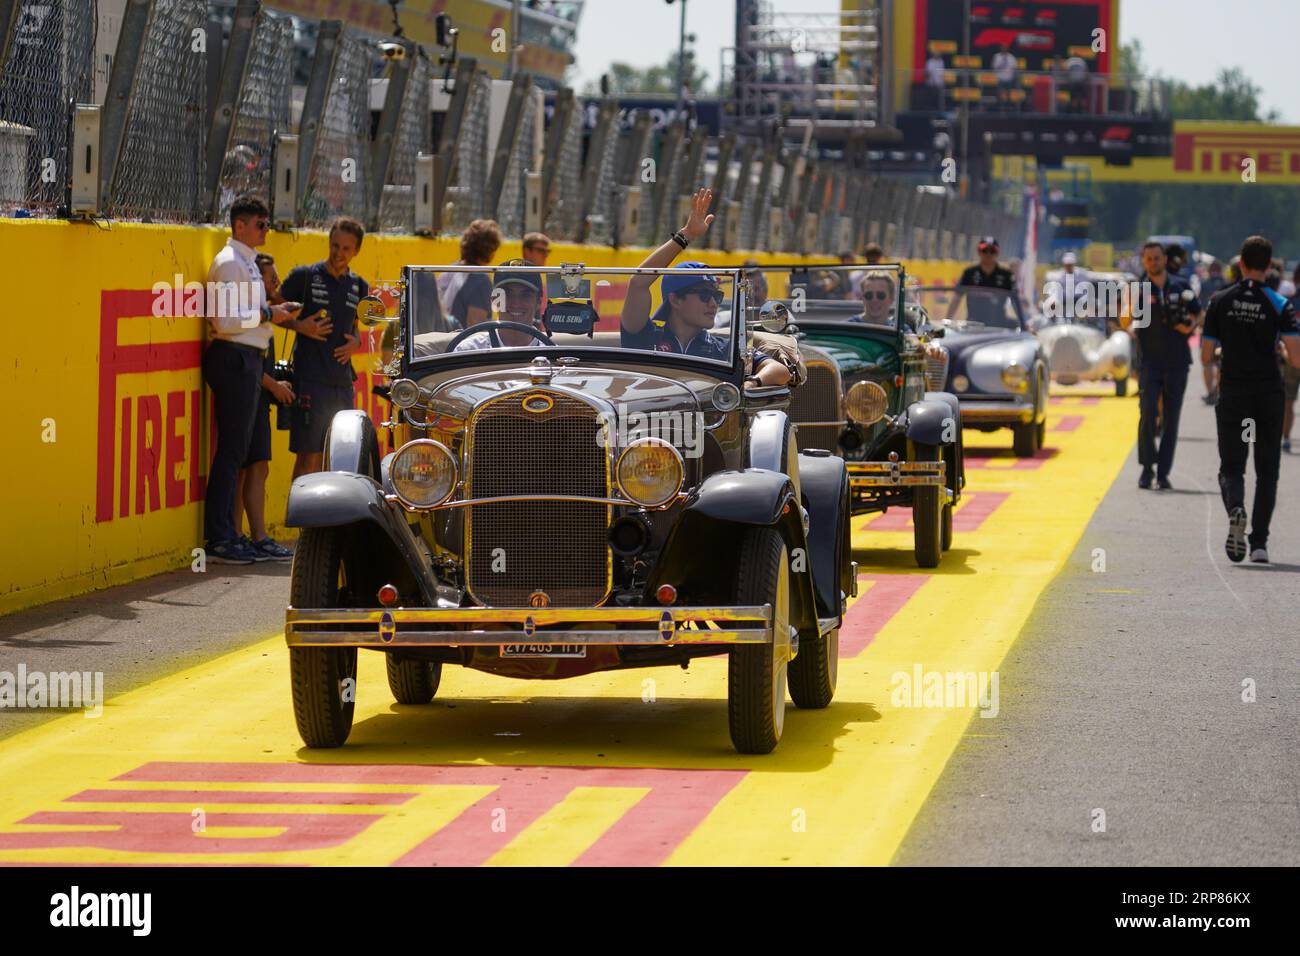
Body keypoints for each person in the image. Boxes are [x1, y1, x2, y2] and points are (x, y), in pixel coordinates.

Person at [202, 196, 301, 564]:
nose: (266, 230)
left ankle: (229, 535)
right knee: (231, 453)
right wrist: (269, 314)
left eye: (267, 223)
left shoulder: (246, 262)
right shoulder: (230, 262)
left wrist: (270, 313)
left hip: (245, 358)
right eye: (260, 224)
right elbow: (225, 321)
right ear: (240, 225)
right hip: (234, 358)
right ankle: (219, 537)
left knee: (237, 453)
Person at [619, 187, 791, 388]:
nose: (713, 303)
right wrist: (686, 235)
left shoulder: (722, 349)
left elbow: (780, 371)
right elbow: (638, 283)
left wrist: (752, 383)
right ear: (675, 300)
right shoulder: (645, 337)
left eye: (717, 296)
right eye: (704, 295)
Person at [1202, 235, 1300, 563]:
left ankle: (1236, 508)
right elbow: (1296, 358)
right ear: (1268, 266)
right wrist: (1280, 350)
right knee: (1267, 470)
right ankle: (1259, 544)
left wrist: (1223, 351)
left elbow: (1206, 356)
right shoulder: (1279, 303)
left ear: (1240, 264)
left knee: (1232, 466)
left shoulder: (1219, 300)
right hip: (1268, 395)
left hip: (1234, 394)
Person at [278, 217, 369, 480]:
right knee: (309, 457)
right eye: (335, 245)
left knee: (341, 458)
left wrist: (356, 342)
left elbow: (356, 327)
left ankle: (332, 509)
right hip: (310, 381)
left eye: (346, 249)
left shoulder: (359, 286)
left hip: (342, 385)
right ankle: (301, 508)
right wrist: (300, 326)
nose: (338, 253)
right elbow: (273, 311)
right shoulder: (305, 277)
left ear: (356, 251)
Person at [228, 253, 295, 561]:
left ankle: (243, 535)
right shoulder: (252, 315)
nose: (276, 283)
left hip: (258, 398)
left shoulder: (263, 313)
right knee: (248, 469)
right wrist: (274, 386)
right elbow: (250, 363)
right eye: (271, 278)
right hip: (251, 396)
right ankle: (252, 536)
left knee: (255, 467)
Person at [1119, 241, 1201, 490]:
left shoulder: (1181, 286)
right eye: (1149, 259)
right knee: (1148, 413)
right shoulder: (1138, 288)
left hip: (1177, 361)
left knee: (1171, 419)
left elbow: (1198, 313)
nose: (1153, 262)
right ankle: (1147, 468)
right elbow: (1124, 320)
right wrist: (1131, 308)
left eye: (1157, 258)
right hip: (1149, 362)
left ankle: (1163, 473)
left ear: (1165, 259)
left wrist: (1188, 326)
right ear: (1144, 262)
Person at [452, 261, 548, 351]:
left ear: (539, 302)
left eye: (525, 295)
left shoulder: (551, 353)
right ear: (494, 299)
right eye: (507, 293)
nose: (516, 303)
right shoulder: (469, 350)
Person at [438, 219, 502, 329]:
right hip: (458, 338)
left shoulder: (449, 270)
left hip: (438, 336)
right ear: (490, 250)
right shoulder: (480, 279)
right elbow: (475, 327)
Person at [949, 237, 1024, 325]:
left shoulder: (1006, 275)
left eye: (992, 251)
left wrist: (1023, 323)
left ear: (997, 253)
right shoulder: (969, 273)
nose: (988, 254)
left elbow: (1015, 301)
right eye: (984, 250)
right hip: (973, 325)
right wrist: (948, 319)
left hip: (999, 325)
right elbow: (957, 297)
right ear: (979, 252)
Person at [992, 44, 1017, 111]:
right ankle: (999, 106)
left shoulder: (1011, 57)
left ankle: (1008, 106)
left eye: (1005, 47)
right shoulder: (997, 56)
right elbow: (994, 66)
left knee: (1008, 93)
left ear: (1007, 48)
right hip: (1000, 78)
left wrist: (1012, 75)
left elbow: (1014, 67)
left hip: (1009, 78)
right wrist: (1002, 62)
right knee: (999, 92)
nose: (1004, 49)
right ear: (1001, 48)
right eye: (1003, 47)